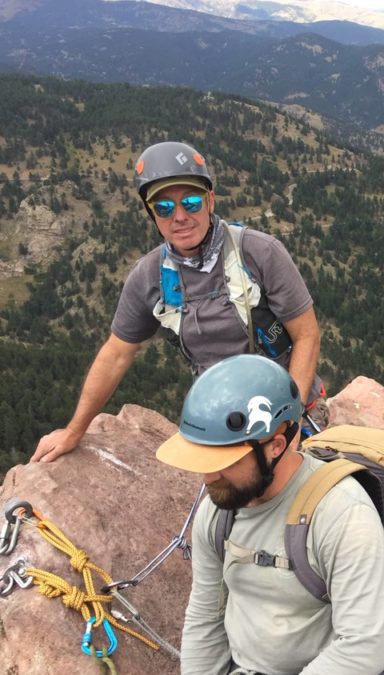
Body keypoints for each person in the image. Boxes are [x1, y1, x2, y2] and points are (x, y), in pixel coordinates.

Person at [32, 140, 323, 463]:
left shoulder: (259, 252)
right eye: (164, 208)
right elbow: (115, 354)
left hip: (287, 413)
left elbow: (306, 335)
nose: (180, 216)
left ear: (211, 201)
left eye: (191, 202)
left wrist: (291, 421)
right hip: (221, 425)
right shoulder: (148, 276)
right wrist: (74, 431)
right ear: (152, 215)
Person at [156, 354, 384, 675]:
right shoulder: (217, 513)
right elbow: (206, 620)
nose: (207, 477)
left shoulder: (341, 512)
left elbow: (363, 645)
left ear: (275, 446)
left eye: (224, 460)